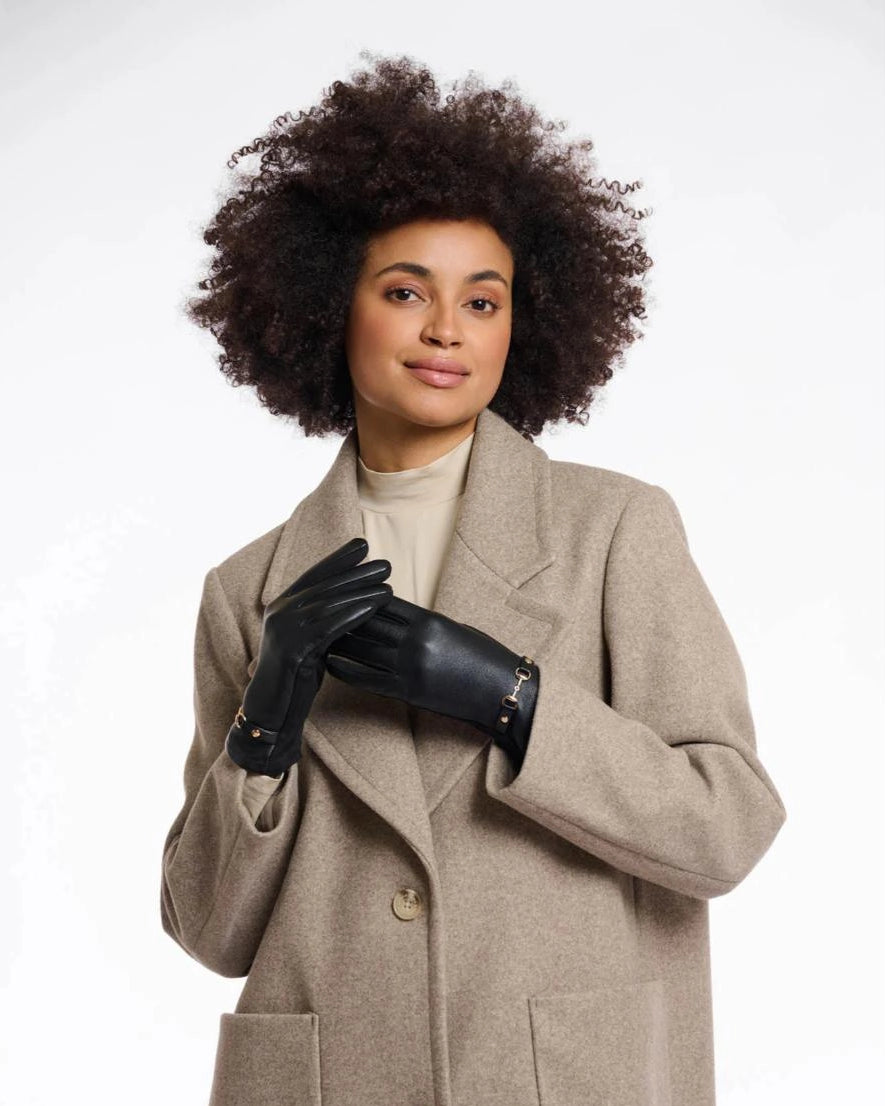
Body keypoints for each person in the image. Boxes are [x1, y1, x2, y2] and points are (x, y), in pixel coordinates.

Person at [160, 54, 787, 1106]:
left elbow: (727, 825)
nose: (448, 328)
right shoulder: (249, 589)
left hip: (559, 1075)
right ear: (329, 307)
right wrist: (263, 731)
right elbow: (211, 930)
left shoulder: (616, 529)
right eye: (406, 290)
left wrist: (516, 699)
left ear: (520, 323)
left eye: (483, 300)